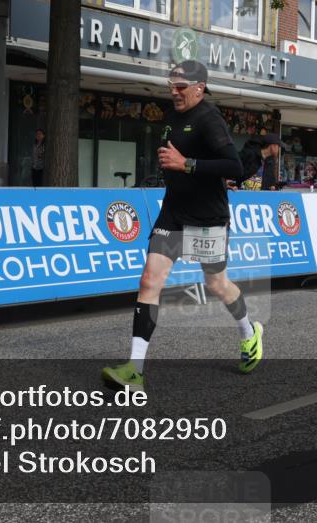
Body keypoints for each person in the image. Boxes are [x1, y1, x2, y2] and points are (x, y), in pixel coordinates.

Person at [102, 61, 258, 391]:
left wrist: (187, 164)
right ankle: (135, 369)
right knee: (149, 279)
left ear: (200, 87)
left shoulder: (209, 117)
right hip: (173, 212)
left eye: (181, 86)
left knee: (216, 284)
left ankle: (249, 332)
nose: (173, 91)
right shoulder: (172, 117)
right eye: (171, 84)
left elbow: (235, 166)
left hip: (207, 217)